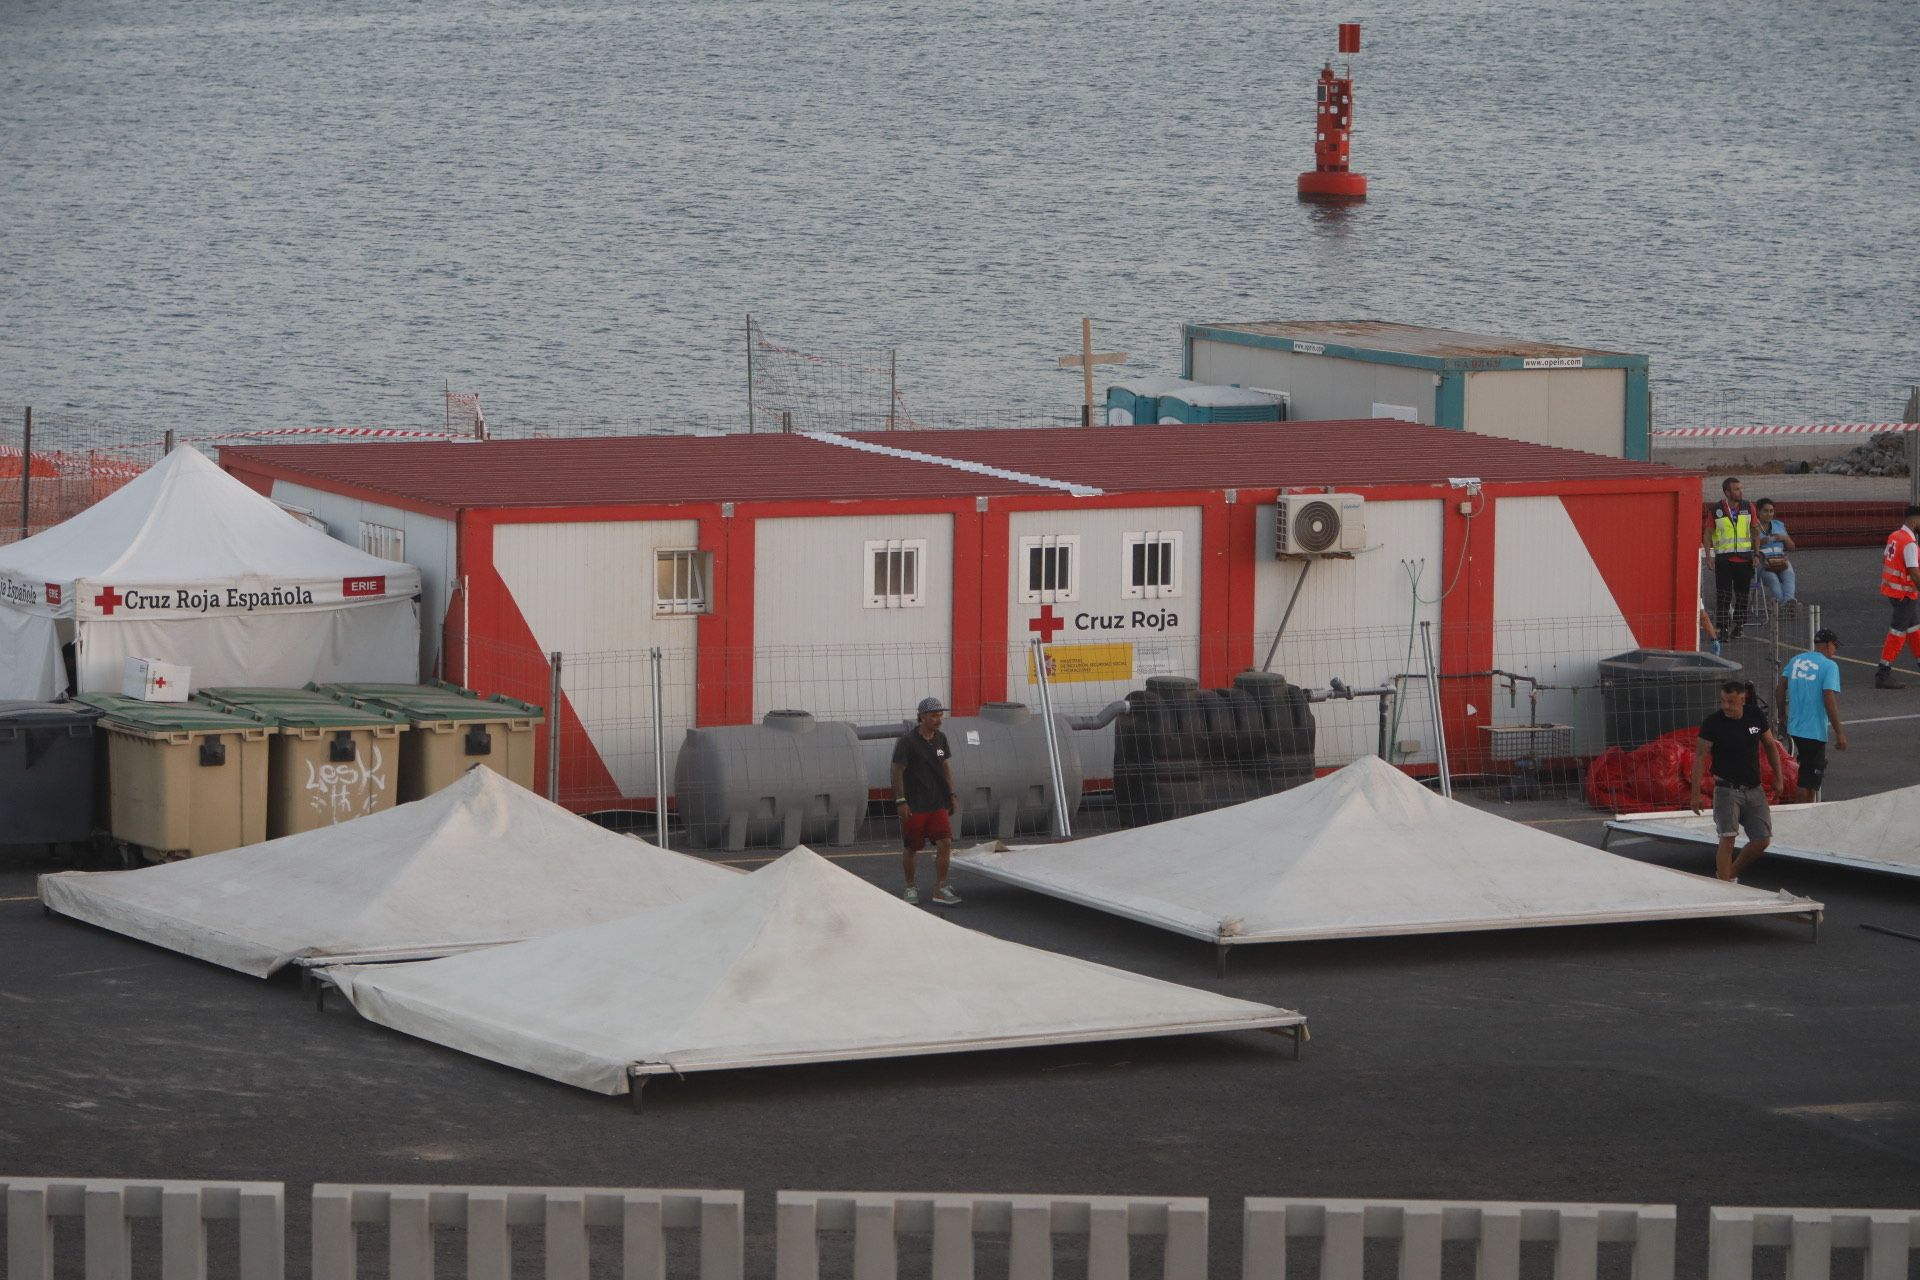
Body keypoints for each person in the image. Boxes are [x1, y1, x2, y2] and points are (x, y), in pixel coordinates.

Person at [1689, 680, 1785, 882]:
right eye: (1723, 701)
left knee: (1762, 840)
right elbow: (1699, 756)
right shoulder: (1713, 723)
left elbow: (1770, 745)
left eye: (1731, 702)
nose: (1726, 706)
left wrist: (1778, 777)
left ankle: (1729, 875)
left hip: (1754, 789)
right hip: (1727, 790)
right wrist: (1695, 794)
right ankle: (1724, 884)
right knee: (1728, 839)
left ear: (1743, 699)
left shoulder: (1755, 716)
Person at [891, 695, 961, 906]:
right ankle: (910, 887)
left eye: (940, 715)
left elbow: (945, 767)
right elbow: (896, 771)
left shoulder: (941, 739)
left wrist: (951, 794)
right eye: (933, 715)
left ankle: (940, 888)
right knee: (912, 847)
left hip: (937, 802)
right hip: (915, 804)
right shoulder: (907, 742)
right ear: (921, 717)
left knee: (945, 842)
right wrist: (901, 800)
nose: (938, 719)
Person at [1774, 628, 1847, 802]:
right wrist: (1839, 732)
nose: (1835, 651)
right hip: (1813, 731)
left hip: (1796, 727)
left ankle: (1808, 807)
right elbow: (1828, 698)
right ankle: (1803, 812)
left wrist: (1783, 715)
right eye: (1835, 646)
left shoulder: (1796, 660)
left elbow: (1779, 689)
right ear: (1828, 645)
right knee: (1808, 778)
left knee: (1810, 774)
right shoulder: (1829, 666)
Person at [1704, 477, 1758, 641]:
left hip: (1744, 558)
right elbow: (1707, 534)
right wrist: (1709, 556)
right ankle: (1722, 628)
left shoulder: (1748, 507)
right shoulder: (1716, 509)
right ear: (1727, 492)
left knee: (1742, 595)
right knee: (1723, 595)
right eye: (1736, 489)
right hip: (1724, 559)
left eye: (1741, 488)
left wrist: (1756, 554)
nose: (1740, 492)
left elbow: (1755, 531)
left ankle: (1739, 625)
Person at [1873, 505, 1920, 690]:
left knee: (1914, 629)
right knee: (1897, 633)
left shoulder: (1894, 536)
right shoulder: (1909, 543)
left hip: (1894, 592)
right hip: (1905, 594)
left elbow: (1886, 559)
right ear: (1915, 520)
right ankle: (1882, 674)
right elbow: (1914, 573)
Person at [1753, 498, 1797, 616]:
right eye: (1765, 511)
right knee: (1774, 580)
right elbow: (1747, 548)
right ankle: (1785, 606)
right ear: (1758, 512)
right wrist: (1761, 542)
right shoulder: (1752, 526)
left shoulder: (1779, 525)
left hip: (1780, 560)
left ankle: (1788, 602)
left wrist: (1785, 538)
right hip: (1763, 563)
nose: (1769, 514)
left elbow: (1792, 548)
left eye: (1771, 511)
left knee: (1789, 575)